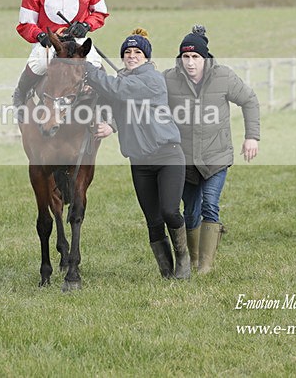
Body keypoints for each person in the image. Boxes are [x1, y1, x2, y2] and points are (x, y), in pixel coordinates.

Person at [88, 29, 190, 279]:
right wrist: (111, 125)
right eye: (127, 52)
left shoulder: (152, 80)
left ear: (146, 58)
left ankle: (183, 260)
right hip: (140, 162)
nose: (132, 56)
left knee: (170, 212)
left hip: (167, 155)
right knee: (153, 220)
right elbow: (117, 104)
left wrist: (90, 71)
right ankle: (167, 273)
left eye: (137, 52)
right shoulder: (123, 81)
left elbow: (121, 90)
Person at [163, 25, 260, 274]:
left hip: (216, 156)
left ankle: (205, 266)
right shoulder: (168, 80)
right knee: (190, 212)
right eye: (186, 57)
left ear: (206, 58)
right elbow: (147, 100)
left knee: (210, 206)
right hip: (183, 160)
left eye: (196, 57)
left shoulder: (224, 77)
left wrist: (252, 137)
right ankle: (193, 260)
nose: (191, 62)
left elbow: (249, 100)